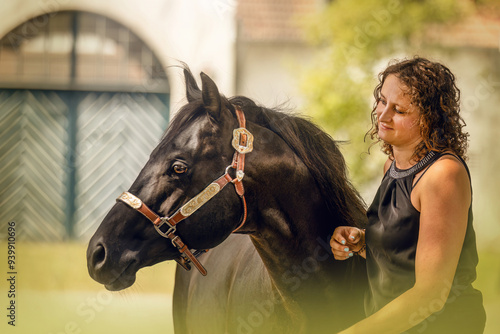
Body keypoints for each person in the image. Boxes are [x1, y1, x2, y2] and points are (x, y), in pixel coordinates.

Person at [330, 57, 486, 334]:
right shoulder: (391, 167)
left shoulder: (442, 175)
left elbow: (431, 294)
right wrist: (362, 243)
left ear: (430, 120)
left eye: (399, 110)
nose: (383, 114)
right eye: (382, 101)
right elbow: (405, 256)